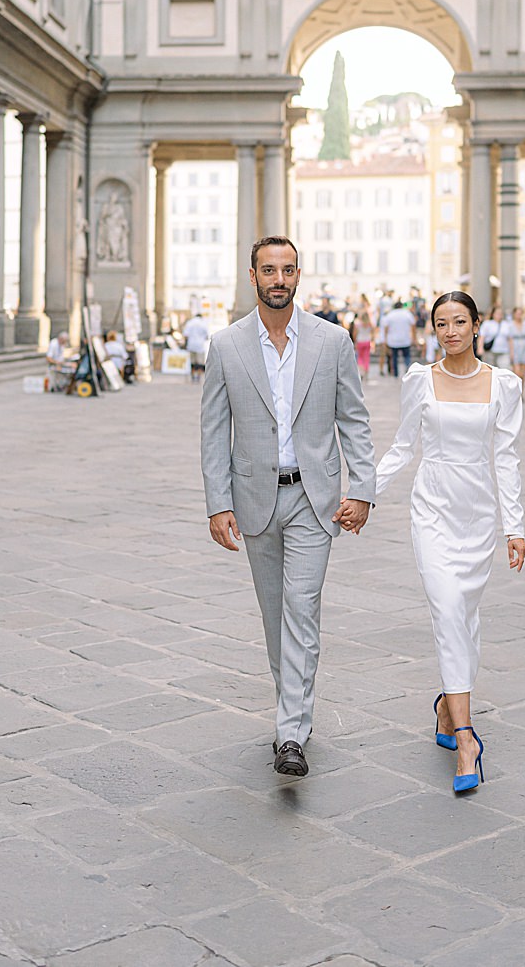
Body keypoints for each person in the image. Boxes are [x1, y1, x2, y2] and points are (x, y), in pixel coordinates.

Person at [200, 237, 376, 778]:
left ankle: (291, 732)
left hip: (313, 498)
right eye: (269, 270)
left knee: (302, 609)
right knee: (274, 616)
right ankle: (291, 709)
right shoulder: (226, 345)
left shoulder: (332, 341)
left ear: (300, 275)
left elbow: (355, 419)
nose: (279, 279)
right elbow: (213, 429)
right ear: (252, 275)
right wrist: (217, 502)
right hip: (253, 496)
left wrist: (362, 487)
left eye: (288, 270)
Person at [375, 290, 525, 794]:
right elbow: (402, 446)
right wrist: (364, 494)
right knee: (445, 608)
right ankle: (466, 737)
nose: (451, 331)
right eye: (441, 323)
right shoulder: (419, 379)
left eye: (460, 321)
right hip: (432, 508)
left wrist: (514, 526)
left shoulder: (503, 384)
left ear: (477, 325)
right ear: (432, 329)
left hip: (478, 513)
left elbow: (506, 457)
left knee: (464, 614)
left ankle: (445, 706)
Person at [383, 298, 416, 378]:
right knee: (407, 356)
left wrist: (386, 338)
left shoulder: (390, 314)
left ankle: (396, 373)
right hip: (405, 339)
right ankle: (408, 369)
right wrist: (413, 337)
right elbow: (413, 325)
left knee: (394, 358)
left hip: (393, 340)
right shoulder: (407, 313)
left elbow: (386, 328)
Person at [184, 311, 212, 385]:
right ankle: (199, 377)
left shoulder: (190, 322)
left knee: (192, 362)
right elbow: (207, 335)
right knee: (200, 362)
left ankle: (193, 376)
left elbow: (186, 334)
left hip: (191, 345)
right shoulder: (203, 323)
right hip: (200, 345)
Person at [506, 307, 525, 377]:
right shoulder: (510, 324)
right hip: (515, 347)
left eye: (520, 314)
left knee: (523, 373)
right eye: (517, 314)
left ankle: (522, 387)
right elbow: (510, 339)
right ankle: (517, 387)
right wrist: (511, 352)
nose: (519, 315)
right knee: (516, 372)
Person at [351, 308, 375, 379]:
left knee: (360, 357)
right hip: (367, 341)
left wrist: (355, 342)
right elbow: (373, 333)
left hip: (360, 341)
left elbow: (354, 334)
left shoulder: (358, 324)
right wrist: (372, 340)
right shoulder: (369, 324)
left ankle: (361, 371)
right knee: (366, 357)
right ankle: (366, 370)